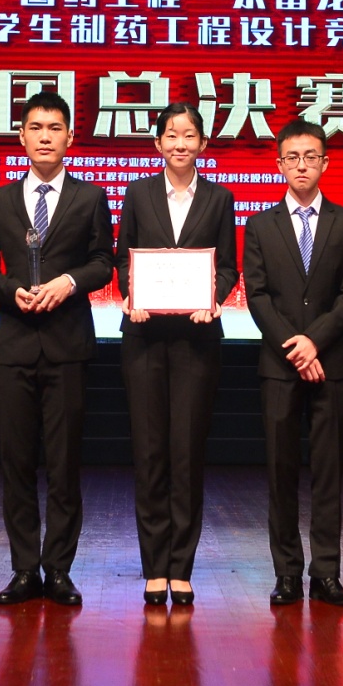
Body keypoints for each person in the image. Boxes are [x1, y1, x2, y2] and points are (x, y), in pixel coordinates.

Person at [0, 92, 114, 607]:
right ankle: (22, 569)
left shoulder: (90, 197)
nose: (45, 136)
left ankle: (58, 569)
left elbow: (104, 261)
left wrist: (70, 283)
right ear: (21, 136)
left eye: (55, 128)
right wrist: (9, 290)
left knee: (63, 465)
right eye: (36, 127)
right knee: (15, 464)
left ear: (70, 137)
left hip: (67, 345)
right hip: (14, 345)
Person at [116, 103, 238, 606]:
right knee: (149, 454)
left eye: (189, 135)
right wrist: (131, 293)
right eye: (171, 134)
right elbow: (124, 258)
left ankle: (181, 567)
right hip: (144, 339)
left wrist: (214, 298)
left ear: (203, 144)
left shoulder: (220, 197)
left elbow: (227, 266)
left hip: (196, 341)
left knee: (187, 454)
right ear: (157, 143)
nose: (180, 143)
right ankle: (154, 566)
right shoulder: (138, 192)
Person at [242, 119, 343, 607]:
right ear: (279, 164)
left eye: (310, 157)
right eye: (292, 157)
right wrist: (294, 347)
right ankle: (288, 573)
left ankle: (327, 573)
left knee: (329, 473)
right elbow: (257, 296)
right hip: (280, 365)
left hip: (332, 362)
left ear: (325, 163)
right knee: (282, 473)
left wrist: (315, 342)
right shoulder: (260, 224)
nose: (301, 165)